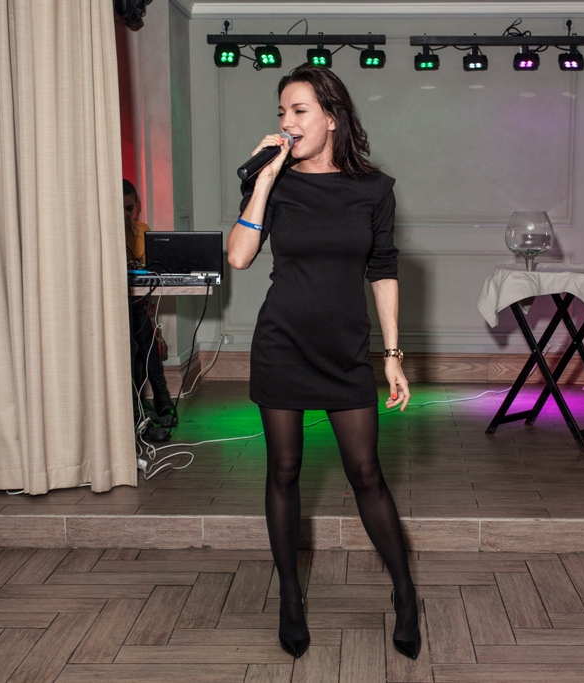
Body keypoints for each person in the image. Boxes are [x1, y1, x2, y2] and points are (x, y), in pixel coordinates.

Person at [227, 65, 419, 660]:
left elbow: (383, 270)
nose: (287, 122)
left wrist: (392, 355)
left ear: (331, 117)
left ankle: (405, 592)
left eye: (299, 110)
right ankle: (290, 596)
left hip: (344, 351)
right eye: (281, 112)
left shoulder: (374, 189)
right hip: (282, 344)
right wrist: (264, 179)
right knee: (283, 472)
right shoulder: (275, 183)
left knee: (367, 473)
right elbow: (239, 257)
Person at [125, 179, 177, 442]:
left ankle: (155, 397)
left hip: (135, 302)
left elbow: (152, 269)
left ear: (137, 206)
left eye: (129, 208)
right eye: (120, 208)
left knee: (142, 323)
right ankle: (150, 401)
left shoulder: (142, 231)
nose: (126, 214)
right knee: (137, 330)